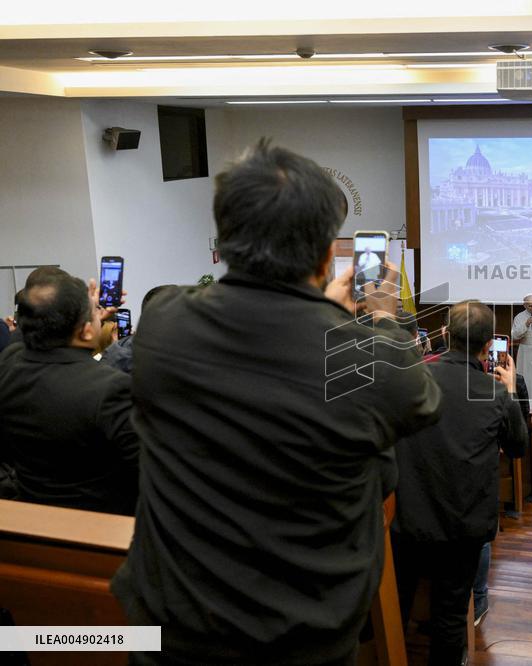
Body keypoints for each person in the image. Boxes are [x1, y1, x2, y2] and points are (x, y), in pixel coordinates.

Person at [111, 140, 443, 666]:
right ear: (323, 252)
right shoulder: (371, 366)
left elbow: (269, 345)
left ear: (225, 238)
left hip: (172, 631)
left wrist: (316, 307)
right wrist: (379, 317)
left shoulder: (164, 326)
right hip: (301, 640)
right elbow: (419, 398)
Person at [392, 300, 527, 665]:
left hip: (408, 516)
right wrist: (511, 391)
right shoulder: (496, 393)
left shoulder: (411, 379)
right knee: (450, 616)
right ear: (487, 347)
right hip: (463, 524)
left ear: (445, 335)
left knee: (396, 609)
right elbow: (517, 447)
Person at [0, 272, 139, 514]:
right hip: (103, 527)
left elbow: (29, 336)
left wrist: (83, 314)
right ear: (86, 332)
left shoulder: (9, 365)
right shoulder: (111, 389)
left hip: (33, 516)